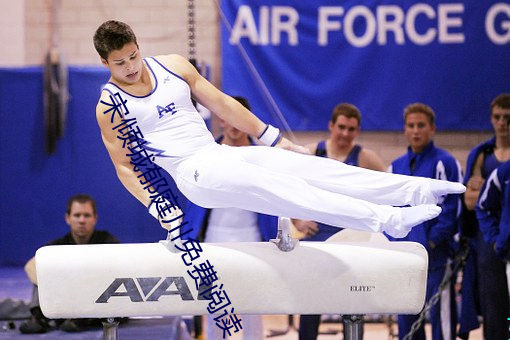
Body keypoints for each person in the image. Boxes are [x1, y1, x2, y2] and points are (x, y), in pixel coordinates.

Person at [93, 20, 464, 250]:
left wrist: (272, 138)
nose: (130, 68)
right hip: (194, 175)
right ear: (105, 63)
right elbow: (125, 168)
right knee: (284, 190)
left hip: (219, 155)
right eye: (120, 63)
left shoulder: (172, 65)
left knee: (310, 168)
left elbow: (223, 103)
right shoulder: (110, 106)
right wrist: (159, 206)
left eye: (133, 56)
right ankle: (386, 220)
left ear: (139, 46)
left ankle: (412, 190)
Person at [185, 96, 278, 339]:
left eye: (240, 120)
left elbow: (276, 199)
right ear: (221, 121)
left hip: (254, 239)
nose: (235, 126)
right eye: (229, 119)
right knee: (216, 306)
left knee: (252, 307)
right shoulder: (205, 155)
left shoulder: (263, 160)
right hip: (215, 238)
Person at [295, 102, 386, 340]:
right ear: (331, 126)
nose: (345, 134)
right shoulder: (311, 152)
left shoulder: (365, 158)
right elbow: (285, 189)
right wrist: (297, 219)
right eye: (341, 127)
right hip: (317, 235)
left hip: (351, 240)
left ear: (357, 131)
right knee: (310, 302)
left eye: (351, 129)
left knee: (353, 301)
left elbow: (389, 192)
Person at [387, 103, 462, 340]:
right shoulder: (395, 167)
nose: (416, 131)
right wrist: (395, 243)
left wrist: (432, 241)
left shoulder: (445, 163)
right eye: (411, 126)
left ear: (432, 129)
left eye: (421, 125)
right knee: (407, 321)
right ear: (405, 130)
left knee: (442, 320)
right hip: (405, 259)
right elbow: (388, 209)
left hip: (436, 257)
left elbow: (452, 209)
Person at [19, 194, 120, 334]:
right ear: (68, 218)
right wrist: (60, 282)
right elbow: (31, 266)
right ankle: (38, 318)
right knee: (42, 270)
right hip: (66, 297)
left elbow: (118, 270)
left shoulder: (108, 242)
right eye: (77, 215)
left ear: (95, 218)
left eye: (87, 215)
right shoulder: (57, 246)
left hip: (97, 301)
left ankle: (80, 319)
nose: (82, 221)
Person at [460, 93, 510, 340]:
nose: (502, 123)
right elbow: (469, 202)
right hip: (489, 238)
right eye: (497, 117)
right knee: (493, 304)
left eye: (507, 118)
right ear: (491, 119)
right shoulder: (482, 154)